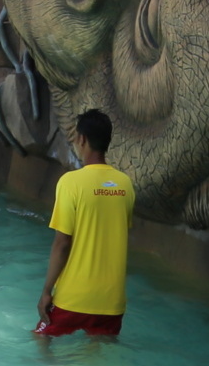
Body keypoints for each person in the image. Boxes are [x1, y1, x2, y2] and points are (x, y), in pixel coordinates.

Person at [35, 109, 135, 339]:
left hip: (74, 298)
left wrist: (46, 292)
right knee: (100, 351)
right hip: (112, 303)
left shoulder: (71, 183)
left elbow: (62, 243)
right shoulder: (125, 185)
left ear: (82, 139)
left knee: (41, 337)